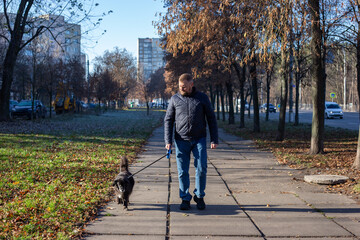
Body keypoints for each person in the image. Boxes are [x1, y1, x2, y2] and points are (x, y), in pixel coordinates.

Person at [164, 73, 218, 210]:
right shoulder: (175, 99)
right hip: (181, 140)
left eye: (185, 87)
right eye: (180, 87)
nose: (182, 89)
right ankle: (185, 198)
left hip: (199, 139)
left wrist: (214, 138)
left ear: (191, 84)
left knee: (201, 168)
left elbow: (211, 118)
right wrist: (168, 140)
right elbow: (168, 120)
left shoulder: (202, 98)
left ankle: (199, 196)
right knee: (182, 171)